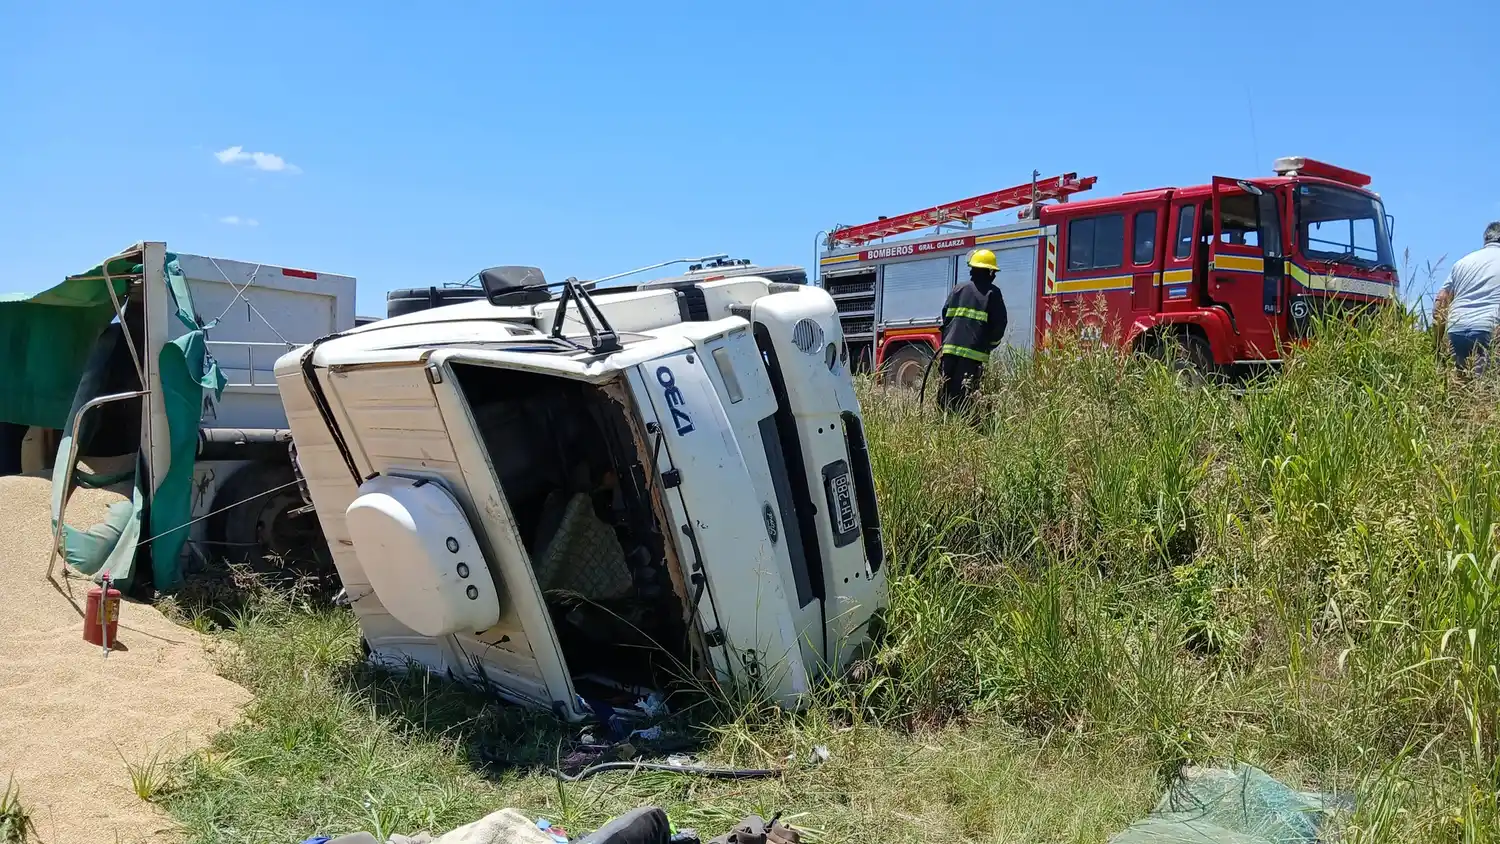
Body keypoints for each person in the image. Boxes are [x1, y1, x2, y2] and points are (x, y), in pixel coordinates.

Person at [936, 248, 1008, 415]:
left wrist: (949, 340)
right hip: (973, 356)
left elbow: (945, 316)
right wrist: (989, 345)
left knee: (945, 396)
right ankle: (966, 432)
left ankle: (942, 429)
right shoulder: (992, 293)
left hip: (949, 353)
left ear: (972, 269)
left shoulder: (957, 289)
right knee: (966, 398)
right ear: (990, 272)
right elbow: (1000, 325)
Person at [1435, 222, 1500, 375]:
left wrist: (1438, 344)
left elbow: (1440, 301)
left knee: (1460, 388)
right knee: (1489, 389)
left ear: (1485, 240)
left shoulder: (1462, 263)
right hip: (1490, 329)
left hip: (1456, 330)